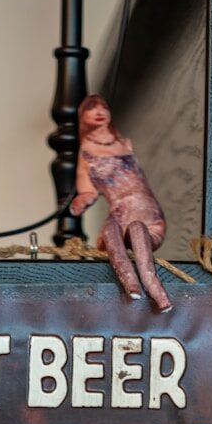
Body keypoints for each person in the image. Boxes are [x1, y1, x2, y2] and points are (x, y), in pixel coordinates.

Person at [71, 94, 171, 312]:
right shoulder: (87, 152)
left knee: (138, 229)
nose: (99, 112)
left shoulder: (125, 143)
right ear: (82, 117)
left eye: (103, 107)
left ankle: (156, 290)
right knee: (111, 229)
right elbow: (87, 189)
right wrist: (82, 200)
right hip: (120, 217)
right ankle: (131, 284)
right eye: (91, 108)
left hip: (150, 218)